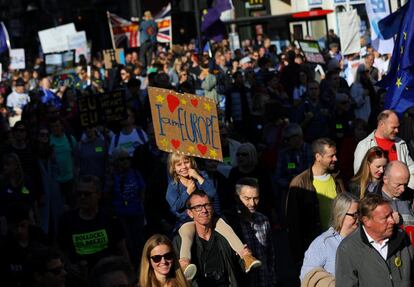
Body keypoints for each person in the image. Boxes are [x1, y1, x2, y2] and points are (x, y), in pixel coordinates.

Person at [166, 152, 260, 279]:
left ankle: (246, 257)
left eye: (186, 162)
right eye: (179, 164)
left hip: (209, 216)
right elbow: (176, 206)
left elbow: (212, 192)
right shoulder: (173, 185)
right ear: (173, 168)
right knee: (186, 236)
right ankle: (184, 264)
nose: (183, 166)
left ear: (192, 162)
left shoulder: (202, 176)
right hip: (187, 219)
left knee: (227, 229)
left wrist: (198, 177)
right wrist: (188, 192)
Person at [286, 138, 346, 271]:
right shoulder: (299, 184)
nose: (335, 159)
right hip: (313, 248)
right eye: (331, 156)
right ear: (318, 156)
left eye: (335, 154)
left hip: (338, 245)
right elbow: (293, 223)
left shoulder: (337, 179)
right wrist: (298, 257)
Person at [57, 175, 129, 284]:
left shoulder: (111, 218)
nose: (82, 197)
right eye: (79, 194)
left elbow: (122, 250)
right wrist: (68, 266)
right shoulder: (67, 220)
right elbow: (59, 249)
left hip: (106, 278)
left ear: (98, 195)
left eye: (87, 194)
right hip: (79, 279)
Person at [335, 193, 414, 286]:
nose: (392, 221)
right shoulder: (348, 249)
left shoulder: (401, 237)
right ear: (366, 221)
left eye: (391, 215)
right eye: (385, 218)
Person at [173, 190, 248, 287]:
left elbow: (239, 270)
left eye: (207, 205)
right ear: (190, 213)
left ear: (212, 208)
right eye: (198, 207)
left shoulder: (226, 236)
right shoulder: (181, 241)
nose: (204, 210)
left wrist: (244, 258)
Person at [223, 177, 277, 287]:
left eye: (256, 198)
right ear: (237, 197)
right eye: (247, 198)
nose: (252, 203)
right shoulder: (230, 223)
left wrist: (272, 279)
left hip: (264, 281)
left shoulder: (263, 220)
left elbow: (270, 254)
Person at [300, 192, 359, 284]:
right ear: (340, 215)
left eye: (360, 214)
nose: (358, 218)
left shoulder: (363, 240)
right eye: (354, 215)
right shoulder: (323, 243)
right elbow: (307, 278)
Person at [353, 110, 414, 188]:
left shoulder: (401, 143)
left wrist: (407, 188)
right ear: (382, 124)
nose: (397, 130)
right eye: (394, 127)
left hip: (401, 196)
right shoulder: (364, 145)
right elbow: (360, 176)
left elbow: (411, 168)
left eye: (398, 127)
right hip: (375, 197)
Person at [377, 161, 414, 226]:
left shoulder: (411, 196)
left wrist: (402, 221)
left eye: (405, 184)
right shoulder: (373, 200)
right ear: (385, 179)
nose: (403, 189)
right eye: (398, 185)